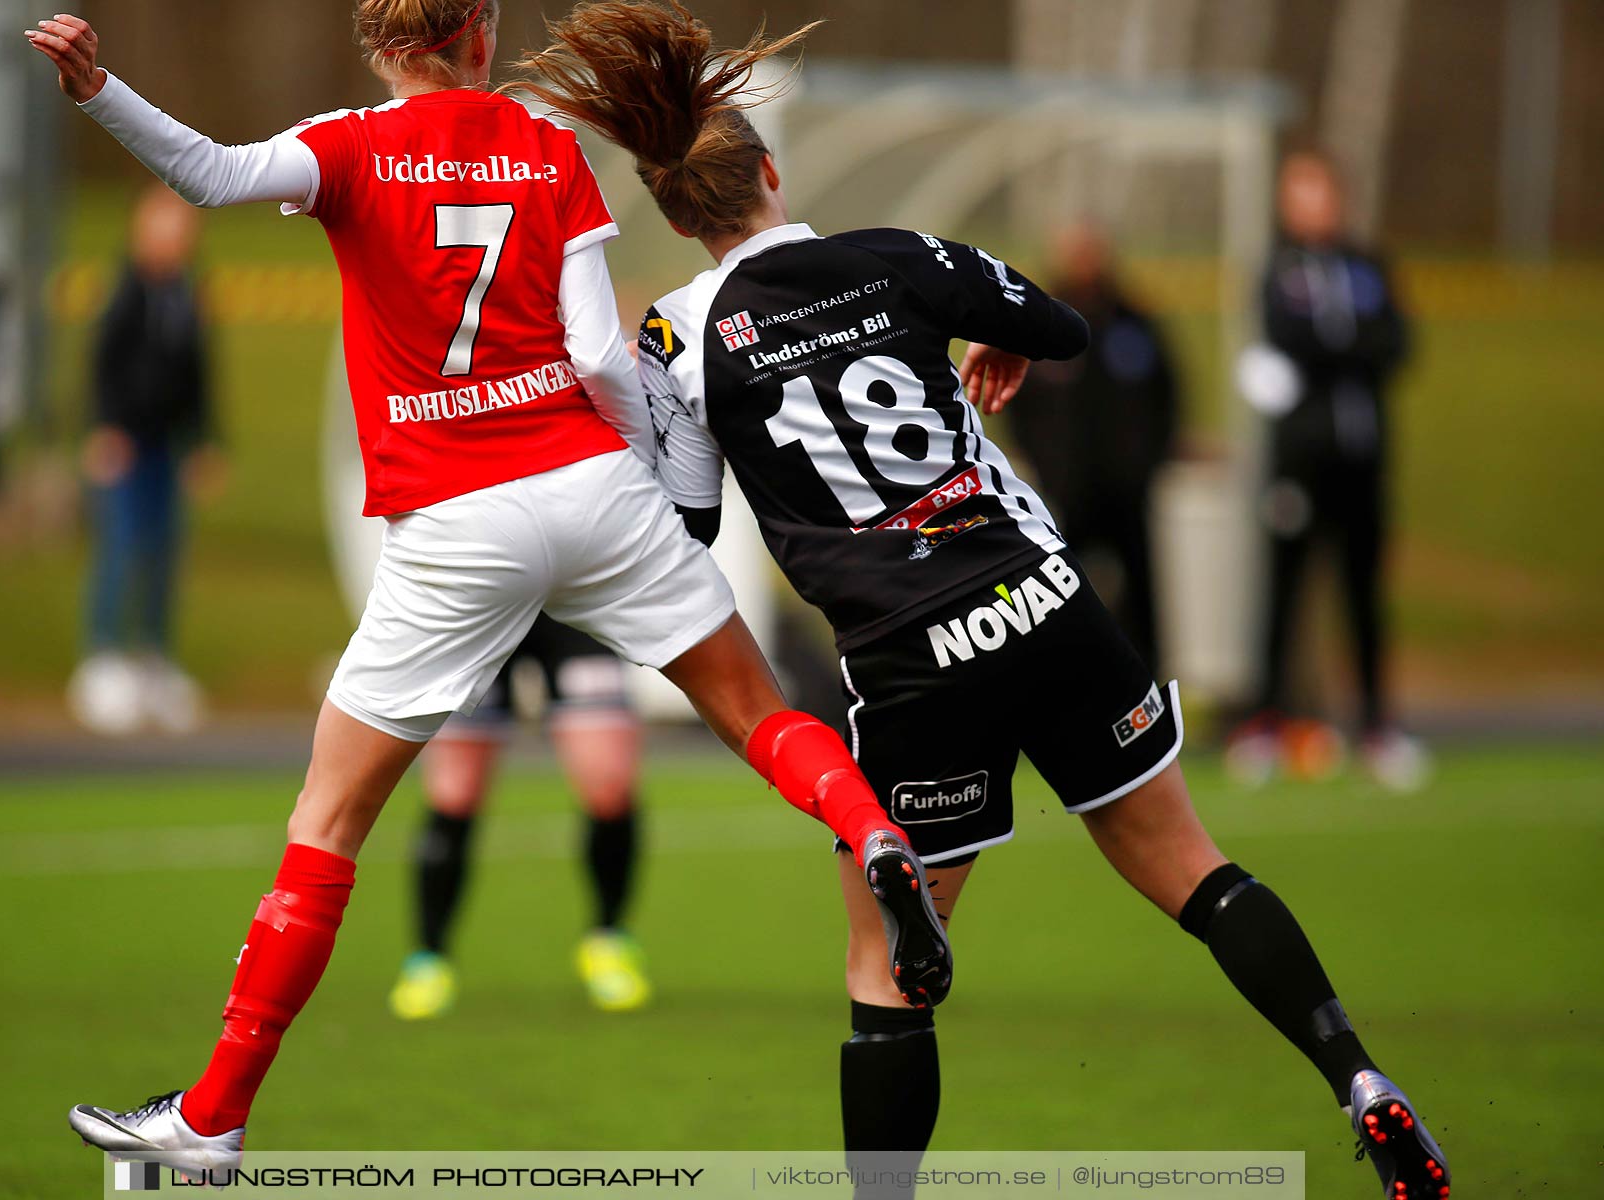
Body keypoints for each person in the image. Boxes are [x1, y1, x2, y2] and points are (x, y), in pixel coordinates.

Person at [515, 6, 1450, 1197]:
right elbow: (1055, 325)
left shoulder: (676, 338)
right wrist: (997, 348)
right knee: (1197, 871)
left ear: (679, 213)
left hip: (909, 656)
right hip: (1041, 598)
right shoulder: (895, 253)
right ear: (773, 174)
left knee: (887, 972)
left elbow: (691, 520)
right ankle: (1357, 1077)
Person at [24, 4, 948, 1177]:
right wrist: (659, 494)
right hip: (591, 485)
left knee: (330, 819)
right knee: (761, 716)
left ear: (380, 45)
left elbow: (206, 176)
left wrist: (101, 89)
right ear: (484, 31)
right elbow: (606, 358)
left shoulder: (352, 147)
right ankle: (875, 831)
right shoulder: (546, 146)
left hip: (456, 523)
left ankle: (213, 1117)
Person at [1228, 150, 1425, 792]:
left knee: (1364, 592)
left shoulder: (1367, 266)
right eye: (1300, 193)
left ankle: (1375, 726)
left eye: (1320, 192)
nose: (1313, 205)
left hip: (1363, 457)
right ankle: (1265, 722)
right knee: (1283, 589)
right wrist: (1347, 346)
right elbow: (1288, 337)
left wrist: (1344, 346)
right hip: (1299, 461)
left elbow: (1396, 342)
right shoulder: (1278, 270)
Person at [391, 613, 651, 1019]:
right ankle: (429, 959)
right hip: (484, 601)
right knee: (454, 794)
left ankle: (608, 940)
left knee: (610, 786)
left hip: (572, 597)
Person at [70, 185, 217, 737]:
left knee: (163, 554)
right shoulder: (126, 290)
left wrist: (203, 440)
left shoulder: (188, 293)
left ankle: (154, 660)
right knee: (121, 550)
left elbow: (200, 374)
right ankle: (103, 661)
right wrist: (105, 430)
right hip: (125, 449)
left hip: (166, 449)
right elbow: (102, 364)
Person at [1004, 220, 1177, 673]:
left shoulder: (1133, 321)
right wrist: (1046, 467)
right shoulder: (1038, 321)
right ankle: (1062, 682)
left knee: (1141, 596)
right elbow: (1017, 406)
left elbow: (1166, 395)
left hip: (1127, 486)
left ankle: (1146, 682)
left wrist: (1148, 462)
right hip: (1065, 490)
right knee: (1059, 592)